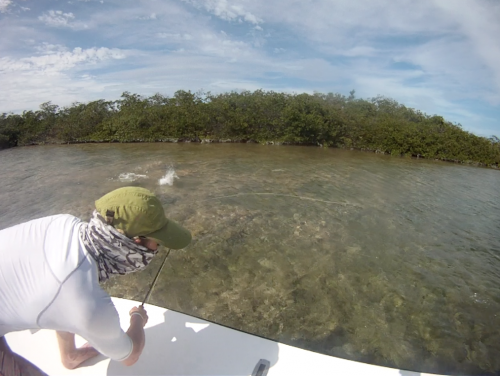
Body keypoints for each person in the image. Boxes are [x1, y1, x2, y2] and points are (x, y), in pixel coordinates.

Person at [0, 187, 192, 375]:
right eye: (156, 241)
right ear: (133, 244)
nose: (157, 249)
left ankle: (70, 355)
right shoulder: (87, 304)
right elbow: (130, 356)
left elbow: (61, 291)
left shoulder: (62, 223)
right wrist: (138, 319)